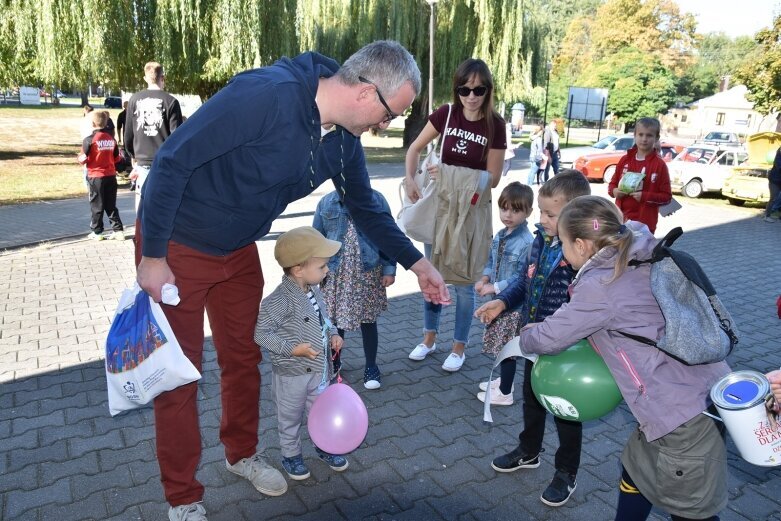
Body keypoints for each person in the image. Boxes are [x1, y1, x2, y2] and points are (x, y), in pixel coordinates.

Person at [134, 41, 449, 521]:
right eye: (390, 114)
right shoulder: (267, 95)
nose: (385, 125)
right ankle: (183, 497)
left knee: (244, 357)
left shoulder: (342, 140)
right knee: (179, 375)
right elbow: (172, 161)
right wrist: (153, 256)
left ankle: (240, 455)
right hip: (176, 243)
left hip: (236, 249)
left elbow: (364, 206)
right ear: (367, 92)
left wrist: (416, 264)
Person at [484, 195, 732, 520]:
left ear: (583, 245)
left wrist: (526, 333)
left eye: (563, 243)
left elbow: (551, 336)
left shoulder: (601, 285)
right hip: (687, 398)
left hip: (682, 416)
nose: (560, 250)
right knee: (636, 472)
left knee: (690, 511)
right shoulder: (638, 256)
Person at [475, 171, 591, 507]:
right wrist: (502, 301)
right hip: (535, 340)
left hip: (568, 347)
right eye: (541, 212)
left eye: (551, 214)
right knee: (532, 398)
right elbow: (526, 283)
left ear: (577, 212)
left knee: (566, 411)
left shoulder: (585, 252)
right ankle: (529, 451)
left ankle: (566, 472)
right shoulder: (542, 239)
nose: (543, 220)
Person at [404, 58, 506, 373]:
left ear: (488, 91)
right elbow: (413, 150)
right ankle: (429, 339)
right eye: (464, 89)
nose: (471, 96)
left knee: (463, 285)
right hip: (440, 212)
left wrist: (449, 173)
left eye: (478, 89)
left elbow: (494, 177)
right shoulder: (446, 114)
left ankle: (459, 347)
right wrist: (411, 179)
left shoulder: (495, 124)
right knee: (431, 277)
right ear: (457, 89)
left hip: (469, 216)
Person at [254, 227, 348, 483]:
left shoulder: (314, 290)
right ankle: (291, 456)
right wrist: (291, 349)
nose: (327, 271)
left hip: (319, 371)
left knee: (321, 412)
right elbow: (261, 334)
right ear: (298, 269)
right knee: (290, 418)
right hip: (291, 376)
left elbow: (323, 320)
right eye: (322, 267)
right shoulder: (278, 300)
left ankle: (325, 446)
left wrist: (333, 335)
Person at [313, 189, 395, 390]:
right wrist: (315, 270)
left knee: (368, 319)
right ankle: (334, 363)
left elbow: (389, 235)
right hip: (335, 273)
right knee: (334, 321)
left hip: (367, 272)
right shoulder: (326, 202)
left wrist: (389, 268)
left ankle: (371, 366)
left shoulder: (376, 199)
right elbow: (316, 238)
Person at [474, 182, 534, 406]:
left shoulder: (526, 242)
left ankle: (506, 392)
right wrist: (485, 278)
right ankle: (502, 381)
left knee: (508, 349)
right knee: (500, 345)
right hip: (499, 301)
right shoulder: (501, 234)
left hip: (512, 307)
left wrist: (495, 288)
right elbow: (491, 260)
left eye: (516, 210)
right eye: (504, 208)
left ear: (528, 212)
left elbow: (521, 277)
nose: (508, 215)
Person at [124, 61, 183, 209]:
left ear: (145, 78)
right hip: (165, 163)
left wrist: (133, 155)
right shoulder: (171, 101)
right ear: (163, 77)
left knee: (142, 208)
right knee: (164, 208)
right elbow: (177, 137)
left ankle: (142, 232)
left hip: (143, 161)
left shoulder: (134, 100)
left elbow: (128, 133)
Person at [607, 117, 671, 234]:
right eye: (640, 135)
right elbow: (612, 185)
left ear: (656, 138)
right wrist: (615, 191)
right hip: (620, 222)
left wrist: (645, 196)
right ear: (635, 135)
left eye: (649, 135)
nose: (644, 139)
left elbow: (666, 197)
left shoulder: (659, 165)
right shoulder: (625, 160)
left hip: (644, 226)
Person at [77, 110, 125, 241]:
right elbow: (117, 159)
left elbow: (82, 159)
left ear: (92, 123)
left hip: (96, 176)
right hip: (110, 175)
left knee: (97, 204)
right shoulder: (111, 139)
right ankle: (118, 230)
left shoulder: (89, 140)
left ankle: (97, 232)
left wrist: (80, 158)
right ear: (105, 123)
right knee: (111, 204)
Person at [763, 147, 781, 222]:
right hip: (775, 180)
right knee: (773, 198)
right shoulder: (779, 155)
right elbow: (779, 166)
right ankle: (767, 216)